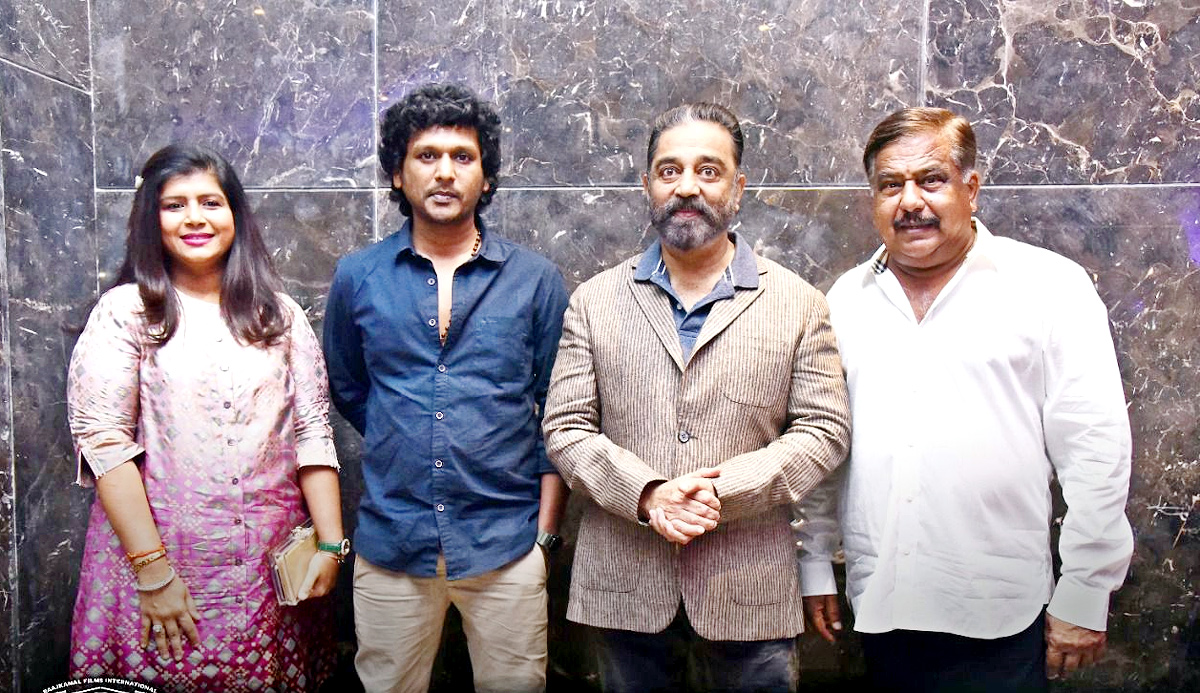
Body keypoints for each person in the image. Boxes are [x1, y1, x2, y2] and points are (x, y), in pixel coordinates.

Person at [797, 107, 1134, 692]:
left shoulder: (1049, 286)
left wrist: (1086, 589)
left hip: (1003, 612)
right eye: (890, 185)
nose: (910, 201)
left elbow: (1095, 449)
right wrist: (813, 562)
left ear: (970, 188)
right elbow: (825, 444)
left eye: (931, 180)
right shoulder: (846, 299)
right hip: (881, 607)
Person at [541, 102, 852, 693]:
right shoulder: (595, 301)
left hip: (749, 588)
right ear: (647, 185)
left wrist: (719, 493)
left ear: (738, 187)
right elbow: (565, 428)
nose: (687, 186)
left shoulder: (799, 302)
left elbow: (824, 431)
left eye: (708, 170)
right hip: (624, 588)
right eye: (670, 170)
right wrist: (649, 493)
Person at [67, 144, 346, 691]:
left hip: (269, 578)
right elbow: (105, 447)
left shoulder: (278, 315)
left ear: (235, 215)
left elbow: (313, 433)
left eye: (210, 203)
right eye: (175, 206)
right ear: (152, 220)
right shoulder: (128, 312)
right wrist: (154, 574)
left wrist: (332, 548)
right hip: (161, 574)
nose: (195, 217)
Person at [323, 83, 570, 693]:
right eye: (426, 155)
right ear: (398, 173)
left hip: (506, 543)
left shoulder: (535, 280)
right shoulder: (359, 276)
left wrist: (543, 536)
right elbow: (350, 388)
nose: (444, 172)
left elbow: (559, 410)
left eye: (463, 157)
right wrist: (401, 430)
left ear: (486, 178)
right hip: (393, 543)